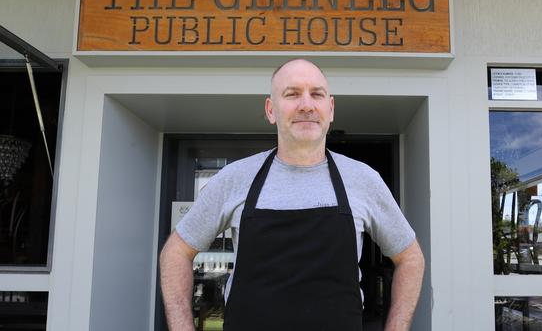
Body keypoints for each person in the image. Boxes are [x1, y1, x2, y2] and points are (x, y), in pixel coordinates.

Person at [159, 59, 425, 331]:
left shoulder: (363, 179)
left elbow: (411, 259)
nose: (307, 105)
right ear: (270, 110)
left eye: (317, 94)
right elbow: (176, 252)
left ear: (330, 108)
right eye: (292, 94)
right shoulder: (234, 178)